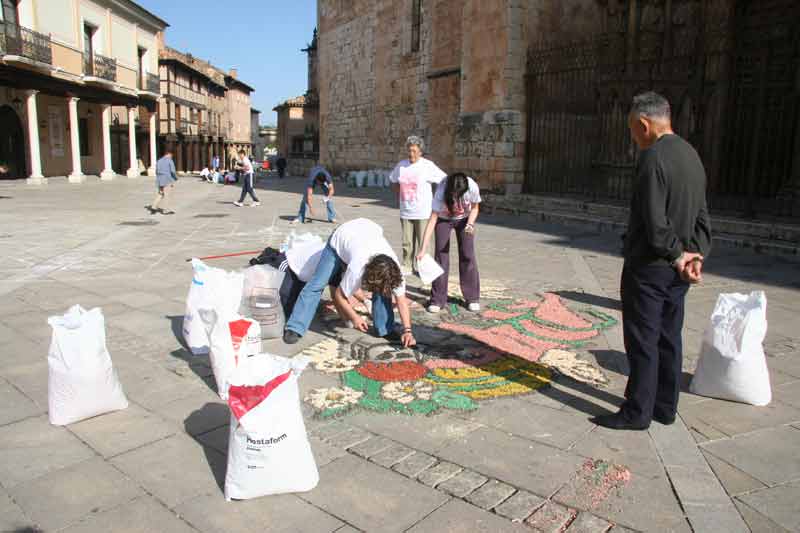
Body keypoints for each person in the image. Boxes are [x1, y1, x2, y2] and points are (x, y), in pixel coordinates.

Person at [592, 91, 712, 431]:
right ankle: (665, 406)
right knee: (669, 336)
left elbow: (654, 222)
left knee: (643, 339)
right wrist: (695, 256)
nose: (633, 138)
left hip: (650, 266)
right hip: (679, 270)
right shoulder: (691, 155)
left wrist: (676, 255)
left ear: (644, 124)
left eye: (632, 130)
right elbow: (703, 217)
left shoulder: (652, 157)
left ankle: (637, 412)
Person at [282, 218, 416, 348]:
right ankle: (295, 327)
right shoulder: (357, 267)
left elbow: (401, 301)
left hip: (368, 231)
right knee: (318, 283)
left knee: (383, 291)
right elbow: (340, 296)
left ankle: (384, 328)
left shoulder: (394, 272)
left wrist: (408, 331)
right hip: (341, 237)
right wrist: (355, 317)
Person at [417, 172, 482, 313]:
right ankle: (437, 299)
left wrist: (470, 224)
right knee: (441, 255)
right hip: (443, 220)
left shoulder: (472, 186)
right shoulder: (441, 189)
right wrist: (423, 249)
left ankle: (472, 298)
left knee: (468, 254)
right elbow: (432, 219)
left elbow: (475, 208)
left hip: (465, 220)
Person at [389, 135, 446, 275]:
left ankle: (423, 267)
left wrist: (438, 200)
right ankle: (407, 265)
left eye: (414, 151)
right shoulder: (401, 165)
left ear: (420, 152)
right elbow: (393, 180)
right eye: (409, 150)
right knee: (407, 242)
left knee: (423, 242)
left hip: (423, 211)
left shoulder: (427, 166)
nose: (411, 154)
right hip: (406, 211)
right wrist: (400, 195)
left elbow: (444, 180)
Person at [148, 151, 177, 215]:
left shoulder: (159, 161)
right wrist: (175, 177)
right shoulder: (169, 161)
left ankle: (153, 207)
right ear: (169, 154)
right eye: (171, 156)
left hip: (159, 180)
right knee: (167, 195)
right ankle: (166, 210)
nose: (171, 157)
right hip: (167, 180)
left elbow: (156, 171)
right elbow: (172, 171)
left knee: (161, 194)